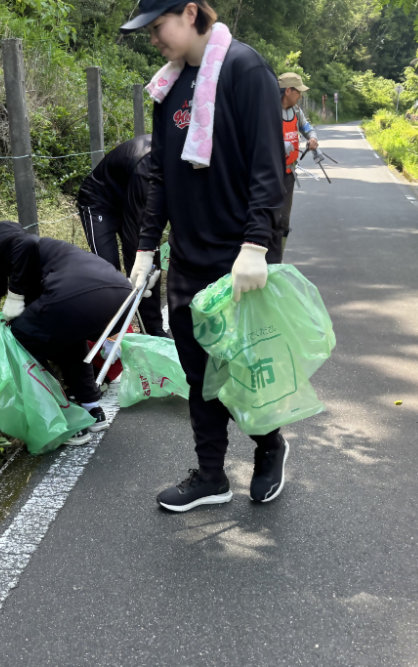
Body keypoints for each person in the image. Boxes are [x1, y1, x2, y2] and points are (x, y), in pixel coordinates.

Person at [120, 0, 289, 511]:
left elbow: (268, 165)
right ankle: (212, 475)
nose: (153, 38)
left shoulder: (243, 67)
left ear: (190, 12)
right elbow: (161, 176)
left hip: (241, 253)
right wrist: (146, 249)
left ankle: (269, 447)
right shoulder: (168, 86)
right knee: (198, 369)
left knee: (244, 362)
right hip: (190, 255)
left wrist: (256, 245)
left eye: (158, 26)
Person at [0, 221, 132, 444]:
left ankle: (65, 419)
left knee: (18, 342)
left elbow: (25, 242)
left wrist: (14, 296)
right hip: (121, 294)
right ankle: (92, 409)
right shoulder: (54, 256)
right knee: (69, 342)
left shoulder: (29, 246)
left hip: (77, 295)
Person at [77, 135, 168, 337]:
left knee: (151, 263)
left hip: (130, 197)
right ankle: (115, 333)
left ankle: (153, 329)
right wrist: (142, 263)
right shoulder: (147, 168)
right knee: (110, 271)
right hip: (100, 202)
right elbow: (136, 239)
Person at [268, 72, 318, 263]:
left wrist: (312, 138)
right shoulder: (268, 110)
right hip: (269, 175)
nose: (301, 95)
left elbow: (307, 128)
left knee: (283, 221)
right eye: (298, 91)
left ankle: (277, 261)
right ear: (288, 90)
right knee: (266, 218)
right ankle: (262, 260)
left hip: (288, 175)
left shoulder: (296, 110)